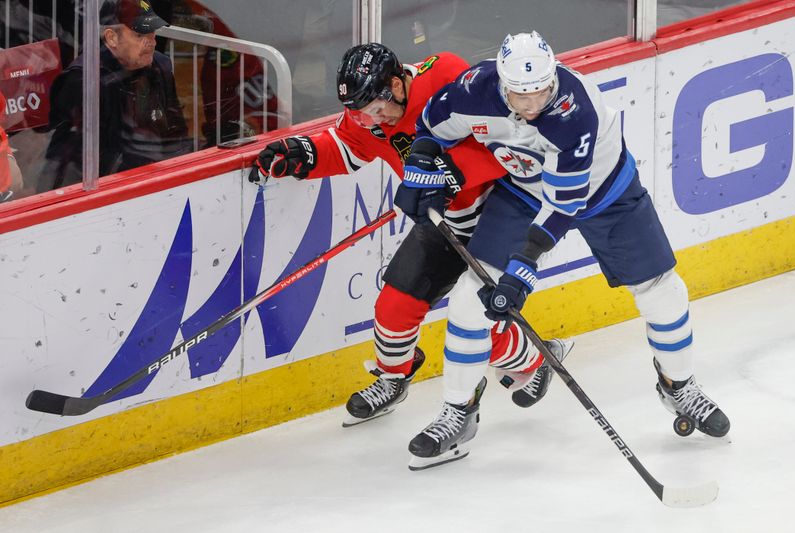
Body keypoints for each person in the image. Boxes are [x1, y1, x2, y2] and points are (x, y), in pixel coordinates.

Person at [401, 31, 730, 469]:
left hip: (605, 195)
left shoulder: (574, 113)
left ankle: (678, 385)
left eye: (541, 90)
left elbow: (563, 206)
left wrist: (521, 272)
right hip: (522, 193)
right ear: (502, 85)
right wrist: (422, 167)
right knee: (466, 302)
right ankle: (458, 413)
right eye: (521, 96)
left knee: (663, 293)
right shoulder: (472, 92)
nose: (534, 103)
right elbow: (430, 128)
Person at [249, 43, 571, 428]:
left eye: (375, 106)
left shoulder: (446, 74)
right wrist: (306, 155)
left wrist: (448, 173)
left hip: (501, 207)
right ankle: (392, 379)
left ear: (397, 84)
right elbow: (346, 144)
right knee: (393, 307)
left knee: (478, 319)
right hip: (445, 219)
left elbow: (505, 138)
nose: (372, 118)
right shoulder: (368, 117)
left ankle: (536, 361)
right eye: (361, 111)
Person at [41, 0, 191, 191]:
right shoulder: (84, 80)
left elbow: (176, 133)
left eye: (153, 32)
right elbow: (72, 160)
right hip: (99, 190)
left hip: (151, 178)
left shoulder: (161, 66)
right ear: (111, 38)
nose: (151, 42)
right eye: (139, 35)